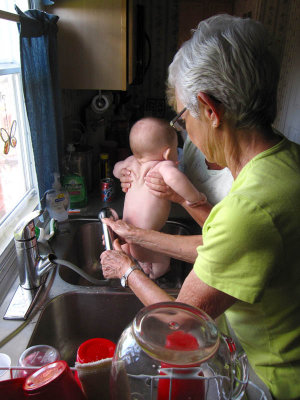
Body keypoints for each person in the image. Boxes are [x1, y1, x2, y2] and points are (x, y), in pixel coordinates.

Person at [100, 14, 300, 399]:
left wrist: (128, 271)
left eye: (182, 117)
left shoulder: (250, 210)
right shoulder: (285, 163)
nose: (183, 132)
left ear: (209, 110)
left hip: (278, 383)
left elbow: (180, 325)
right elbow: (221, 250)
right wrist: (139, 235)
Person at [113, 117, 206, 279]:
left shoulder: (130, 163)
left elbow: (116, 168)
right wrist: (195, 197)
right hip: (144, 236)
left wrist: (121, 173)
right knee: (163, 259)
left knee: (139, 251)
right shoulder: (163, 166)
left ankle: (133, 254)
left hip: (125, 230)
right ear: (168, 152)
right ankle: (154, 274)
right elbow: (175, 179)